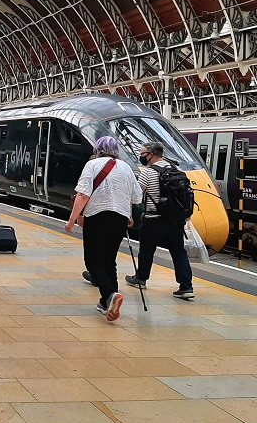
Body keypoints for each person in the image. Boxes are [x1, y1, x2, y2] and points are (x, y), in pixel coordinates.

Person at [65, 136, 142, 322]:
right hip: (120, 219)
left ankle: (110, 295)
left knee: (93, 261)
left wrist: (71, 220)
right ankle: (105, 302)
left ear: (97, 149)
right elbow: (137, 197)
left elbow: (83, 195)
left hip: (97, 217)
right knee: (109, 260)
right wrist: (129, 214)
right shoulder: (126, 168)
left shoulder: (92, 165)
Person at [125, 142, 195, 299]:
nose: (141, 156)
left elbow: (136, 196)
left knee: (147, 250)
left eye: (143, 154)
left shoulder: (148, 173)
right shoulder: (175, 170)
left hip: (153, 218)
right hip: (175, 220)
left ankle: (141, 278)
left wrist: (130, 212)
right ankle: (186, 286)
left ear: (151, 154)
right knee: (178, 252)